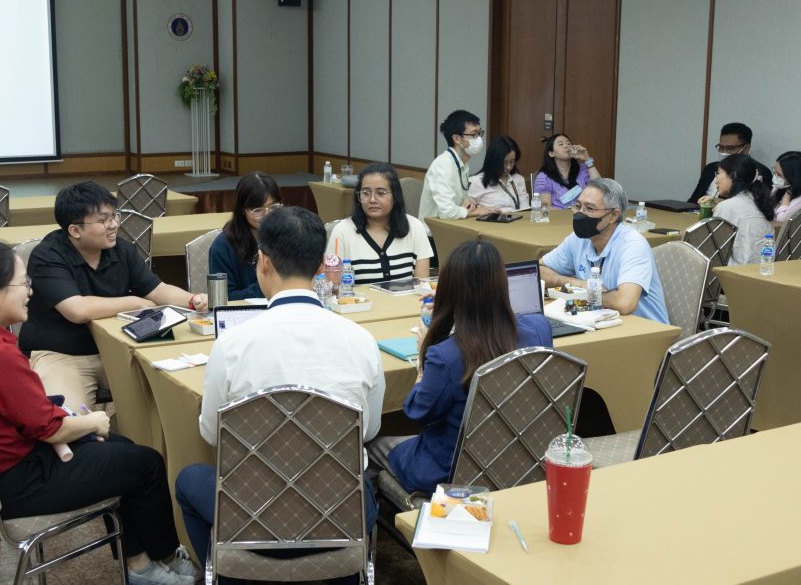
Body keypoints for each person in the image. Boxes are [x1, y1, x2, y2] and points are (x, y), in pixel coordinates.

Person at [0, 241, 198, 585]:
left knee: (123, 451)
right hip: (15, 485)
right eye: (23, 283)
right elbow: (52, 430)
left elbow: (24, 413)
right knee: (147, 463)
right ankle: (162, 557)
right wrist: (94, 420)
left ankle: (140, 563)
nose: (30, 292)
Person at [175, 207, 385, 576]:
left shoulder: (232, 344)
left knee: (189, 480)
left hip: (250, 515)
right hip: (341, 514)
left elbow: (212, 434)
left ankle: (232, 574)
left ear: (263, 262)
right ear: (320, 265)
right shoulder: (362, 340)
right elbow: (368, 431)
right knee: (365, 481)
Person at [368, 240, 552, 496]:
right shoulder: (539, 329)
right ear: (502, 284)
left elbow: (417, 412)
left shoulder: (445, 356)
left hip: (452, 471)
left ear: (449, 289)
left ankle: (392, 518)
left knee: (371, 447)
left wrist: (422, 363)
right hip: (521, 458)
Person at [19, 181, 206, 410]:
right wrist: (134, 302)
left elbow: (158, 290)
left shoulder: (122, 250)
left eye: (114, 216)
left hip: (117, 349)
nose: (114, 224)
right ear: (75, 230)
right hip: (61, 355)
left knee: (170, 394)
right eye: (103, 220)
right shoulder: (47, 256)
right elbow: (77, 310)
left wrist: (192, 300)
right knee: (70, 420)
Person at [540, 178, 668, 323]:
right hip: (597, 322)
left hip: (645, 329)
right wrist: (575, 284)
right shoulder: (579, 239)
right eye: (578, 206)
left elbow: (624, 303)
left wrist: (587, 293)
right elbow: (539, 270)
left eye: (590, 208)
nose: (580, 213)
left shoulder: (633, 245)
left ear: (613, 215)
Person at [326, 163, 433, 284]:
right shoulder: (342, 232)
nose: (372, 199)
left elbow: (422, 285)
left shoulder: (415, 227)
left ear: (395, 196)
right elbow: (333, 287)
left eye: (381, 193)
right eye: (365, 193)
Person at [208, 172, 283, 300]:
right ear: (242, 210)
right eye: (258, 210)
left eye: (274, 207)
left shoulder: (289, 236)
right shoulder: (222, 246)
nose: (267, 215)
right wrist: (268, 285)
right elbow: (221, 298)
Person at [418, 109, 500, 225]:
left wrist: (470, 203)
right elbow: (447, 212)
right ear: (457, 139)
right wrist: (478, 212)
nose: (479, 139)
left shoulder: (462, 163)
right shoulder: (442, 165)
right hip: (434, 232)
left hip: (454, 225)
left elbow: (460, 201)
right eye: (473, 134)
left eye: (480, 133)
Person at [700, 154, 775, 266]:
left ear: (733, 175)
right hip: (764, 270)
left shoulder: (727, 206)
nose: (716, 180)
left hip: (735, 272)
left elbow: (714, 250)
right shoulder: (761, 202)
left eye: (718, 173)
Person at [688, 122, 773, 203]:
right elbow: (693, 200)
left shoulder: (760, 172)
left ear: (746, 148)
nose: (724, 152)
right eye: (721, 147)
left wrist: (721, 203)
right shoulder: (710, 168)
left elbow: (759, 207)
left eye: (730, 148)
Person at [532, 133, 602, 209]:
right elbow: (546, 208)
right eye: (561, 144)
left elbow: (600, 188)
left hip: (584, 214)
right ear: (551, 153)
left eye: (568, 143)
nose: (566, 146)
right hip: (559, 216)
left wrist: (587, 160)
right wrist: (570, 212)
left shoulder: (582, 170)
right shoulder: (544, 177)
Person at [468, 135, 530, 212]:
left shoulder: (518, 179)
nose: (508, 167)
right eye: (504, 162)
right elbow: (467, 210)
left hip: (518, 219)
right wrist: (483, 210)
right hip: (490, 219)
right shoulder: (476, 182)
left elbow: (525, 209)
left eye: (512, 162)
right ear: (494, 160)